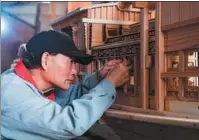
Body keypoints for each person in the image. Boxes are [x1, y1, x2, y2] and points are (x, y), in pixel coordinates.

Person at [1, 30, 130, 140]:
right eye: (70, 62)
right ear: (46, 60)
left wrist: (99, 78)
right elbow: (69, 122)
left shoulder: (32, 85)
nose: (74, 71)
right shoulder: (12, 92)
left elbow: (67, 97)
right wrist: (109, 84)